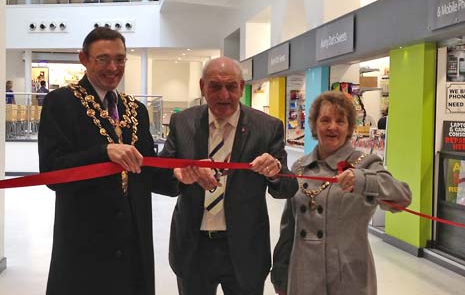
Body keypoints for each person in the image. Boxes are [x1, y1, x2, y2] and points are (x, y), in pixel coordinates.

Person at [38, 27, 178, 295]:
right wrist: (104, 152)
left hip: (133, 242)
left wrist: (179, 177)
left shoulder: (136, 110)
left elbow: (146, 169)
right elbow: (52, 173)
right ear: (84, 58)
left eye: (120, 59)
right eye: (102, 59)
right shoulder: (62, 103)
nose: (113, 67)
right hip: (85, 240)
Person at [160, 56, 298, 295]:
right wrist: (178, 174)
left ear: (241, 87)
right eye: (215, 86)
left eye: (231, 87)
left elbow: (287, 187)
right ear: (202, 87)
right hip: (193, 247)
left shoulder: (266, 127)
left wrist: (275, 171)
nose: (224, 95)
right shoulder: (183, 122)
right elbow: (160, 175)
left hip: (245, 249)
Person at [271, 91, 412, 295]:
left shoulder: (365, 163)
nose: (332, 127)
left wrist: (364, 180)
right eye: (325, 120)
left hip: (349, 275)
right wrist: (280, 274)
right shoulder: (299, 167)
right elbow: (289, 227)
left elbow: (403, 197)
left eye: (340, 121)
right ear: (314, 126)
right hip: (304, 275)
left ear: (349, 128)